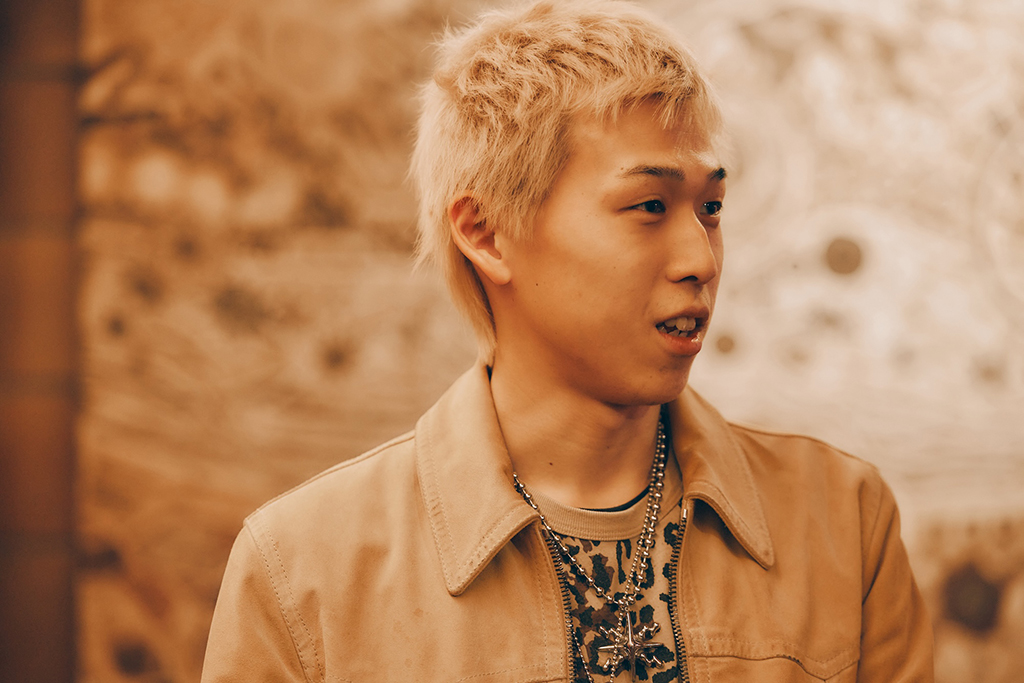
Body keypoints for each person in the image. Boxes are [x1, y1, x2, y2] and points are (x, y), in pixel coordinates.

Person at [201, 1, 934, 681]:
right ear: (487, 233)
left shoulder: (842, 521)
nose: (701, 259)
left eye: (710, 207)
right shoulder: (303, 569)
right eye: (649, 205)